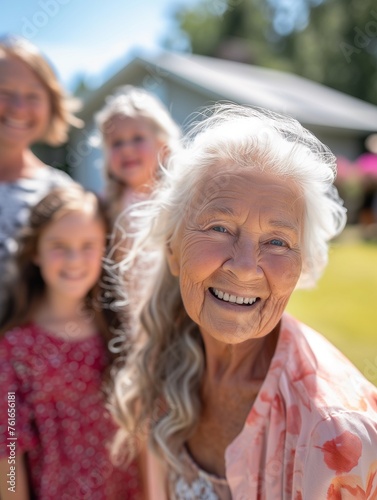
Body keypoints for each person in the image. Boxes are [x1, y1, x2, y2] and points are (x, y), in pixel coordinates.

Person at [110, 104, 377, 499]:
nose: (246, 268)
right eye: (220, 227)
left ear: (300, 265)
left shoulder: (339, 437)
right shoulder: (167, 358)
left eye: (277, 241)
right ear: (173, 248)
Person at [0, 186, 141, 499]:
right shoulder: (14, 347)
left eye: (87, 245)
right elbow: (8, 451)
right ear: (35, 251)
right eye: (59, 246)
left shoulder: (120, 331)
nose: (74, 259)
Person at [0, 34, 80, 317]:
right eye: (4, 93)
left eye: (33, 95)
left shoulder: (58, 194)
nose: (18, 108)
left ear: (51, 104)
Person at [94, 85, 181, 224]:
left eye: (138, 138)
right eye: (117, 143)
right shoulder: (103, 207)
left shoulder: (179, 198)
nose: (126, 149)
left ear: (163, 147)